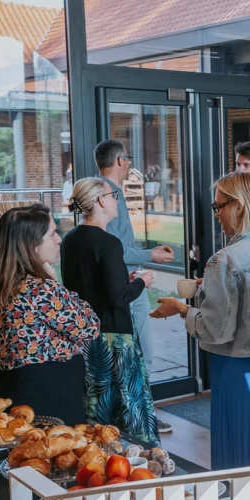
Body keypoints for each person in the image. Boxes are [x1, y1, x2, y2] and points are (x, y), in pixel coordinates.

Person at [150, 173, 250, 481]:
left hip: (239, 371)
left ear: (239, 206)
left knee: (240, 464)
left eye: (219, 207)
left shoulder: (225, 260)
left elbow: (216, 330)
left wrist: (181, 309)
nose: (216, 215)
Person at [0, 205, 99, 423]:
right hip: (52, 398)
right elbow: (90, 326)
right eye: (52, 234)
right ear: (32, 245)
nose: (59, 239)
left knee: (18, 455)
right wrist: (54, 283)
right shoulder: (41, 290)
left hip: (4, 394)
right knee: (55, 454)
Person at [61, 178, 160, 443]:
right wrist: (142, 281)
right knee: (127, 409)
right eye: (113, 195)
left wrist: (123, 281)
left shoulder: (69, 240)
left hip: (84, 338)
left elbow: (86, 285)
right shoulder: (109, 243)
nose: (117, 200)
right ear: (101, 201)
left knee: (95, 408)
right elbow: (119, 298)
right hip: (114, 339)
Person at [94, 139, 174, 433]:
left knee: (132, 354)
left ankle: (130, 417)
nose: (128, 164)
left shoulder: (105, 192)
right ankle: (141, 419)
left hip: (123, 282)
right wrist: (150, 256)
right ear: (120, 161)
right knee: (142, 354)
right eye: (127, 159)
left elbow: (120, 245)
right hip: (127, 286)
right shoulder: (107, 194)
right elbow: (116, 250)